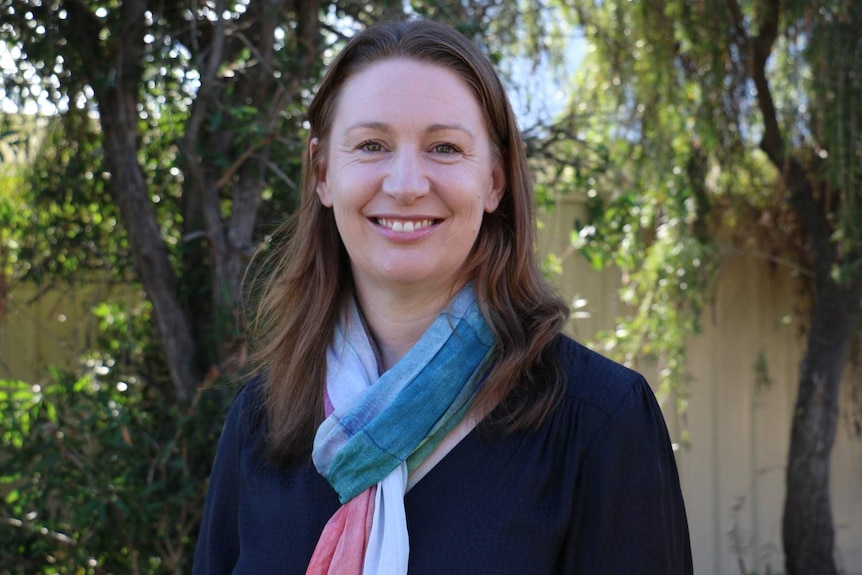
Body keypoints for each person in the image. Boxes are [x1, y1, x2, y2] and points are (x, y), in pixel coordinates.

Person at [193, 18, 692, 575]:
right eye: (372, 145)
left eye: (445, 147)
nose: (406, 184)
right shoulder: (261, 422)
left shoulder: (599, 420)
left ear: (495, 181)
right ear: (323, 172)